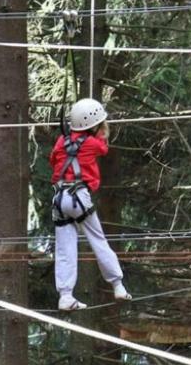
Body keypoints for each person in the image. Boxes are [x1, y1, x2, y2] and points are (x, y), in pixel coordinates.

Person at [49, 98, 131, 310]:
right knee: (98, 239)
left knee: (65, 248)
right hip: (79, 197)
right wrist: (102, 134)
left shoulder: (61, 141)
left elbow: (53, 159)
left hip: (59, 198)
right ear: (94, 126)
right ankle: (117, 284)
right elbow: (103, 149)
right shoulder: (93, 143)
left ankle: (65, 296)